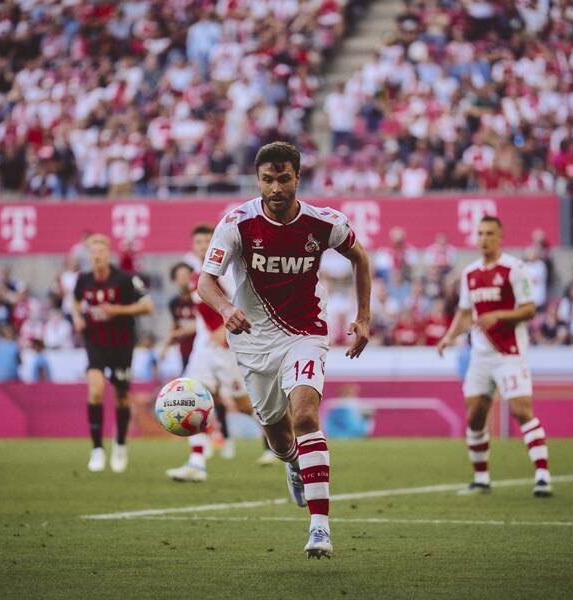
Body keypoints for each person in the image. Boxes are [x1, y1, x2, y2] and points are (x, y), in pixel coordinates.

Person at [197, 141, 372, 558]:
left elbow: (360, 259)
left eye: (284, 178)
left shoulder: (323, 222)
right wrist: (226, 308)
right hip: (254, 339)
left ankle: (320, 529)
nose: (276, 188)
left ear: (297, 177)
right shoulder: (237, 223)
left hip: (305, 332)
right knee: (278, 437)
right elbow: (205, 281)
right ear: (258, 180)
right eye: (267, 179)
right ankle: (293, 462)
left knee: (306, 413)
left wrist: (364, 317)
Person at [437, 216, 551, 497]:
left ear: (500, 236)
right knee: (475, 416)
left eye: (489, 233)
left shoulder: (515, 269)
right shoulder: (470, 274)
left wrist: (499, 314)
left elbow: (529, 309)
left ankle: (543, 475)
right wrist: (450, 336)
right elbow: (465, 313)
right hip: (480, 355)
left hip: (509, 352)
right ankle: (481, 478)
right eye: (480, 233)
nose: (484, 238)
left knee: (521, 410)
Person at [165, 225, 259, 483]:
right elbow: (202, 318)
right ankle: (197, 463)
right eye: (198, 242)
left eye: (208, 241)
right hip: (203, 351)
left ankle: (277, 436)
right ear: (193, 247)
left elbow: (243, 301)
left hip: (229, 350)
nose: (203, 246)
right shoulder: (197, 277)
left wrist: (224, 328)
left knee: (243, 405)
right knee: (188, 397)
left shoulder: (226, 272)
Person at [72, 234, 154, 473]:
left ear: (108, 254)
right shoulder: (83, 280)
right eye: (92, 252)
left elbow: (148, 306)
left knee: (121, 396)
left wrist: (117, 310)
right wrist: (77, 317)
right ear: (88, 255)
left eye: (100, 251)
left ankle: (119, 443)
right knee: (95, 390)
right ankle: (97, 449)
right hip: (95, 342)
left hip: (122, 344)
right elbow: (75, 300)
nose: (96, 256)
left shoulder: (125, 279)